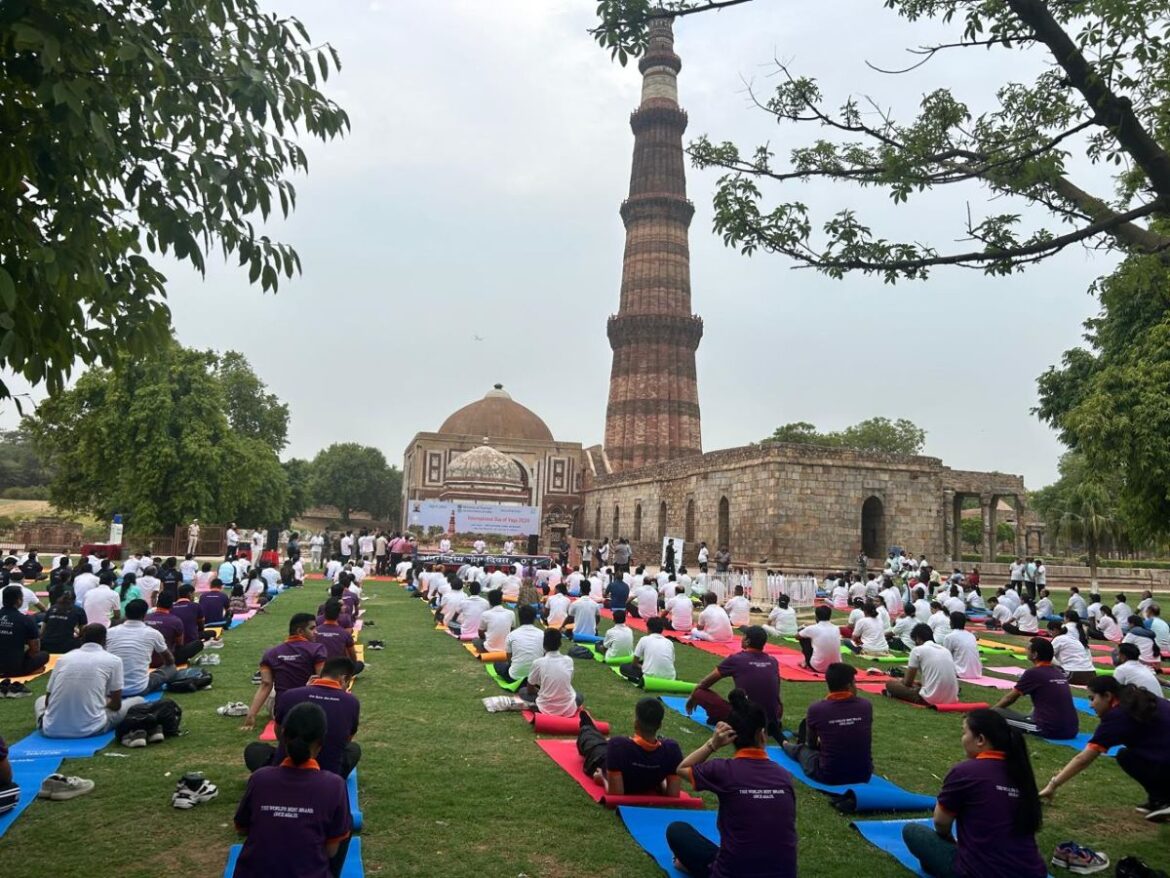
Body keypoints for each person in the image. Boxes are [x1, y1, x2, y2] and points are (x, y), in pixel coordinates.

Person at [666, 689, 797, 878]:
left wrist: (712, 744)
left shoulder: (723, 770)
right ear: (762, 735)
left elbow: (681, 768)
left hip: (732, 871)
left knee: (677, 830)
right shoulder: (784, 776)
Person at [904, 709, 1047, 877]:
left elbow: (941, 822)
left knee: (912, 831)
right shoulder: (1022, 773)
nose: (962, 738)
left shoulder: (965, 772)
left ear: (980, 739)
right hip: (1033, 872)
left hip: (978, 872)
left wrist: (948, 839)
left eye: (964, 733)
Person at [233, 702, 351, 878]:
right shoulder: (334, 785)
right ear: (320, 743)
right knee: (343, 831)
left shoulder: (260, 778)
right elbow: (332, 850)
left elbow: (242, 828)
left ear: (283, 736)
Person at [1040, 675, 1170, 821]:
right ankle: (1159, 800)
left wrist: (1053, 784)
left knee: (1127, 757)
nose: (1090, 705)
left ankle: (1163, 800)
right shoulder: (1135, 698)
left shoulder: (1118, 715)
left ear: (1107, 696)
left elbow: (1084, 758)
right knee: (1129, 754)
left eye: (1092, 699)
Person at [244, 657, 361, 779]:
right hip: (328, 771)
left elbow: (280, 734)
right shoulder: (351, 702)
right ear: (344, 679)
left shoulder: (290, 695)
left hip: (286, 767)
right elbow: (345, 741)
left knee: (255, 750)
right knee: (353, 749)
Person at [36, 624, 146, 738]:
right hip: (91, 728)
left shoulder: (64, 659)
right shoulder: (114, 660)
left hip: (51, 729)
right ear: (104, 640)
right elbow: (116, 705)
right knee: (139, 700)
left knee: (40, 699)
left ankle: (47, 721)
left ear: (81, 639)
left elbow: (48, 702)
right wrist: (103, 703)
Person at [781, 663, 873, 784]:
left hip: (829, 775)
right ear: (849, 685)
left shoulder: (817, 709)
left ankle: (786, 745)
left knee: (802, 751)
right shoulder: (865, 706)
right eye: (855, 683)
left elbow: (811, 744)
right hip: (864, 774)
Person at [687, 626, 783, 742]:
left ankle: (719, 718)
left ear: (747, 641)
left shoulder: (737, 660)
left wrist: (693, 696)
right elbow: (776, 692)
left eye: (743, 637)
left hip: (746, 719)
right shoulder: (773, 661)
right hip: (772, 718)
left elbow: (705, 683)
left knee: (699, 692)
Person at [576, 697, 683, 795]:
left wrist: (603, 778)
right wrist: (659, 780)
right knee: (603, 742)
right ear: (660, 725)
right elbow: (672, 794)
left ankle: (587, 725)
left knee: (588, 734)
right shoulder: (672, 750)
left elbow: (616, 794)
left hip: (600, 761)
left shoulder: (618, 745)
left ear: (636, 723)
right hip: (632, 763)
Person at [243, 614, 328, 731]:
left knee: (274, 689)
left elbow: (265, 684)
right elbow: (323, 681)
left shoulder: (270, 653)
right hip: (311, 711)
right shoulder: (317, 649)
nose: (316, 632)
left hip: (281, 713)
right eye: (312, 628)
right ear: (300, 631)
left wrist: (251, 715)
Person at [992, 637, 1079, 740]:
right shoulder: (1057, 672)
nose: (1026, 650)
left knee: (997, 714)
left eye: (1028, 648)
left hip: (1050, 729)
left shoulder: (1033, 673)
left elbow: (1010, 698)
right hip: (1072, 729)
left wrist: (989, 714)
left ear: (1035, 654)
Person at [106, 599, 177, 698]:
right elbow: (169, 660)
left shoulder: (110, 632)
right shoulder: (153, 633)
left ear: (126, 614)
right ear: (144, 615)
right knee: (171, 668)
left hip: (110, 690)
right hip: (137, 688)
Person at [884, 624, 960, 707]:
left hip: (930, 699)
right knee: (918, 684)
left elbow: (908, 682)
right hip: (952, 698)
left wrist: (900, 681)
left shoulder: (917, 650)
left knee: (890, 684)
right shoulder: (945, 651)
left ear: (918, 639)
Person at [523, 628, 580, 717]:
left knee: (523, 691)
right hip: (567, 707)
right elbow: (568, 682)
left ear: (544, 645)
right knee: (578, 696)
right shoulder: (569, 660)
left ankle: (539, 706)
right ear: (560, 644)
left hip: (546, 708)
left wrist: (541, 691)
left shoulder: (538, 662)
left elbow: (529, 689)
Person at [146, 591, 204, 666]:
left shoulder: (145, 618)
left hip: (146, 659)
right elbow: (179, 644)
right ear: (171, 605)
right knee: (198, 644)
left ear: (157, 603)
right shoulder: (175, 621)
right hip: (167, 660)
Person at [493, 604, 544, 685]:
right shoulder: (542, 634)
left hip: (515, 677)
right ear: (534, 618)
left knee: (498, 663)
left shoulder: (512, 635)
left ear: (519, 618)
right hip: (537, 679)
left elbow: (509, 660)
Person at [622, 616, 676, 684]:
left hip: (649, 677)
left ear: (648, 628)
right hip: (670, 677)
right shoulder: (669, 642)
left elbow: (634, 663)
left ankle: (640, 679)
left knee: (624, 667)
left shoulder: (644, 639)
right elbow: (671, 661)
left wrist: (642, 667)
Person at [315, 602, 364, 673]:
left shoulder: (315, 631)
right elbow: (353, 656)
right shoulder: (344, 633)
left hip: (319, 669)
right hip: (338, 671)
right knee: (359, 664)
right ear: (339, 615)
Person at [1049, 616, 1097, 685]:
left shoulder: (1058, 639)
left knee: (1045, 672)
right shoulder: (1075, 640)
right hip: (1092, 674)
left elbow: (1047, 656)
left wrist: (1059, 665)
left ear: (1054, 630)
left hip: (1075, 674)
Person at [39, 590, 87, 655]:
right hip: (66, 646)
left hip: (46, 645)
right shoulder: (79, 610)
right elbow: (84, 632)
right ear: (74, 600)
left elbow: (42, 631)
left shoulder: (52, 608)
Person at [797, 604, 843, 672]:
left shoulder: (812, 628)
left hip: (818, 667)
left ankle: (806, 661)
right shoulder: (836, 628)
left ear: (816, 617)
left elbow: (797, 636)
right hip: (836, 666)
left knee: (803, 636)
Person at [943, 613, 982, 681]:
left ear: (952, 622)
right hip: (976, 672)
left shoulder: (950, 637)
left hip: (960, 672)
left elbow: (946, 656)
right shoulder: (971, 635)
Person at [476, 589, 515, 654]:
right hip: (506, 648)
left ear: (489, 601)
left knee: (475, 641)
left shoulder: (485, 614)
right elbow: (512, 630)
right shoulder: (511, 613)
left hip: (489, 648)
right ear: (501, 600)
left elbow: (480, 633)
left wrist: (489, 637)